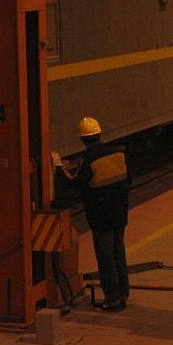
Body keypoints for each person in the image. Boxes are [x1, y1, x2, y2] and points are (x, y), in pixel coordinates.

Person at [70, 116, 131, 312]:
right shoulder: (117, 155)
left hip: (101, 219)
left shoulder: (89, 162)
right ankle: (123, 294)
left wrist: (57, 168)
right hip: (120, 215)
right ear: (99, 133)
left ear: (83, 139)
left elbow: (75, 185)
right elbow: (128, 183)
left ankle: (112, 299)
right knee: (119, 254)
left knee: (106, 258)